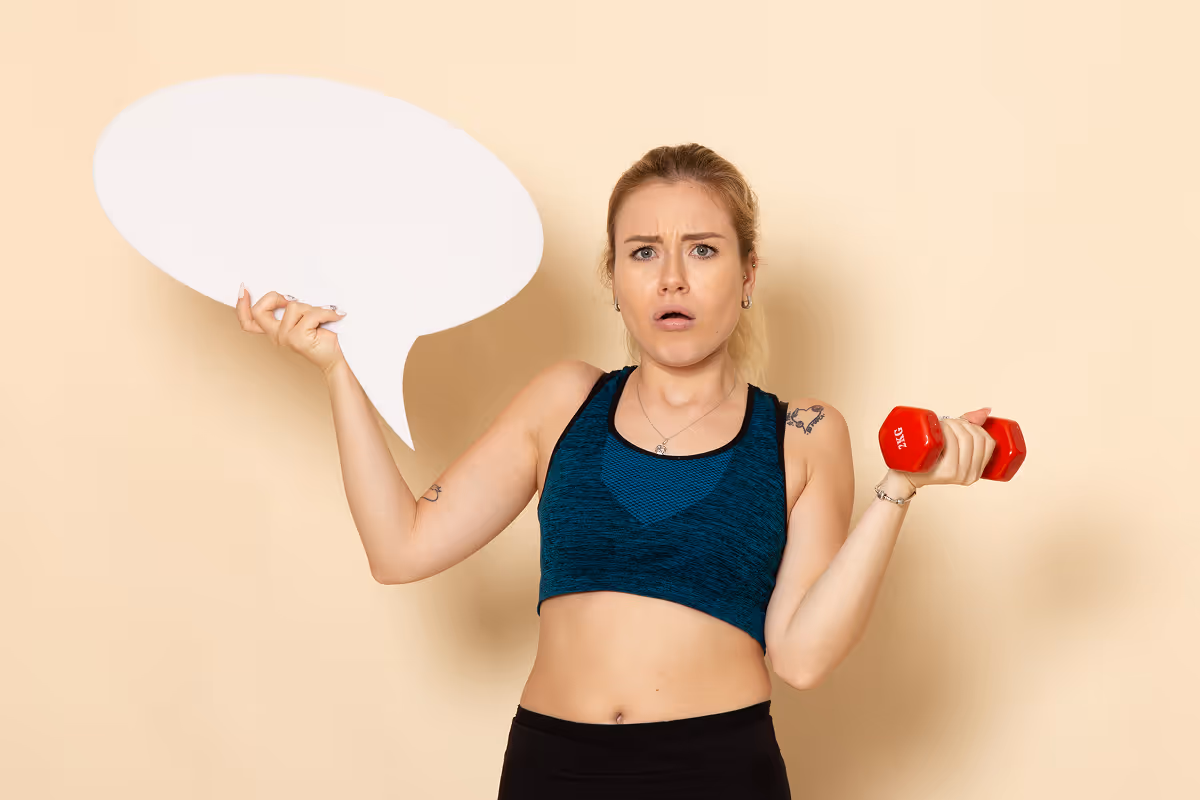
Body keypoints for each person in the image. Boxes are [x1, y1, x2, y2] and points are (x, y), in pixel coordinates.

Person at [234, 143, 996, 799]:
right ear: (614, 278)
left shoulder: (801, 432)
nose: (672, 279)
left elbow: (801, 657)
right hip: (553, 770)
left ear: (748, 273)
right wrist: (338, 371)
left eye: (702, 249)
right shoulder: (564, 400)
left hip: (717, 772)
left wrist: (899, 490)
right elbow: (399, 548)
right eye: (643, 252)